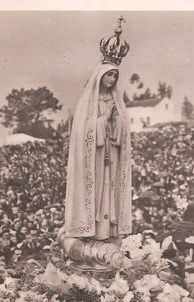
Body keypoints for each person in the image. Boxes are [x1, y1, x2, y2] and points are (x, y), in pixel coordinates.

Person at [65, 17, 131, 242]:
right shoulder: (88, 103)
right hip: (94, 158)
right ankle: (90, 231)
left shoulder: (116, 101)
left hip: (111, 155)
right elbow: (82, 132)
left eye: (115, 75)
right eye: (109, 74)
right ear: (100, 75)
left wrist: (117, 122)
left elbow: (123, 132)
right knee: (96, 193)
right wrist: (103, 120)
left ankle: (109, 232)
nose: (112, 79)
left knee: (110, 192)